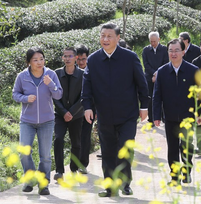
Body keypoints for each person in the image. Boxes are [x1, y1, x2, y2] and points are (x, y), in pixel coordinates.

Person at [82, 23, 149, 197]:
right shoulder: (93, 60)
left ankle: (125, 182)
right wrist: (88, 107)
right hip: (104, 114)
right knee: (108, 151)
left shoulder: (130, 57)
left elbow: (141, 83)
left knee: (124, 149)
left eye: (109, 36)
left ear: (118, 38)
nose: (105, 39)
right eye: (102, 36)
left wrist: (144, 106)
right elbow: (87, 85)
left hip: (128, 114)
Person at [12, 47, 63, 195]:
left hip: (47, 121)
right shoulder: (22, 77)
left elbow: (59, 95)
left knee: (45, 156)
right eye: (35, 60)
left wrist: (51, 84)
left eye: (41, 59)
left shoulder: (51, 74)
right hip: (27, 121)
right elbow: (15, 94)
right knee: (24, 152)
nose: (39, 62)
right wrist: (25, 99)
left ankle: (43, 184)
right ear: (29, 62)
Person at [153, 38, 198, 185]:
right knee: (172, 148)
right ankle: (174, 177)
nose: (173, 53)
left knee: (186, 146)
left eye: (177, 50)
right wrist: (156, 115)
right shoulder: (162, 71)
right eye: (170, 50)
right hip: (170, 116)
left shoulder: (193, 70)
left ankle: (187, 172)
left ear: (183, 52)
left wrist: (199, 113)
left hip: (188, 116)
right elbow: (157, 95)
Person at [53, 47, 84, 181]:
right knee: (58, 139)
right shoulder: (57, 73)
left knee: (76, 142)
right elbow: (54, 95)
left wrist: (71, 112)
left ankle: (74, 168)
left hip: (77, 115)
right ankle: (59, 170)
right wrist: (64, 112)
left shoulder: (83, 74)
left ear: (76, 58)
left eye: (70, 56)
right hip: (60, 114)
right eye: (65, 56)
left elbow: (84, 96)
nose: (67, 59)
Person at [142, 31, 169, 123]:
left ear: (159, 39)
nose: (153, 43)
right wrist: (154, 74)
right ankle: (151, 118)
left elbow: (166, 62)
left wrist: (158, 74)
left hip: (162, 77)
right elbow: (146, 64)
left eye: (154, 41)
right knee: (150, 98)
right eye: (151, 41)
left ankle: (163, 117)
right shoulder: (146, 50)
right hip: (149, 78)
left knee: (163, 97)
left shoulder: (164, 49)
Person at [75, 44, 93, 174]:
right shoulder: (71, 71)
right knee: (74, 138)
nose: (81, 62)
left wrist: (95, 110)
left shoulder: (93, 70)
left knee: (85, 137)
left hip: (88, 110)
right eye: (79, 59)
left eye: (84, 59)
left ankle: (83, 163)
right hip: (73, 111)